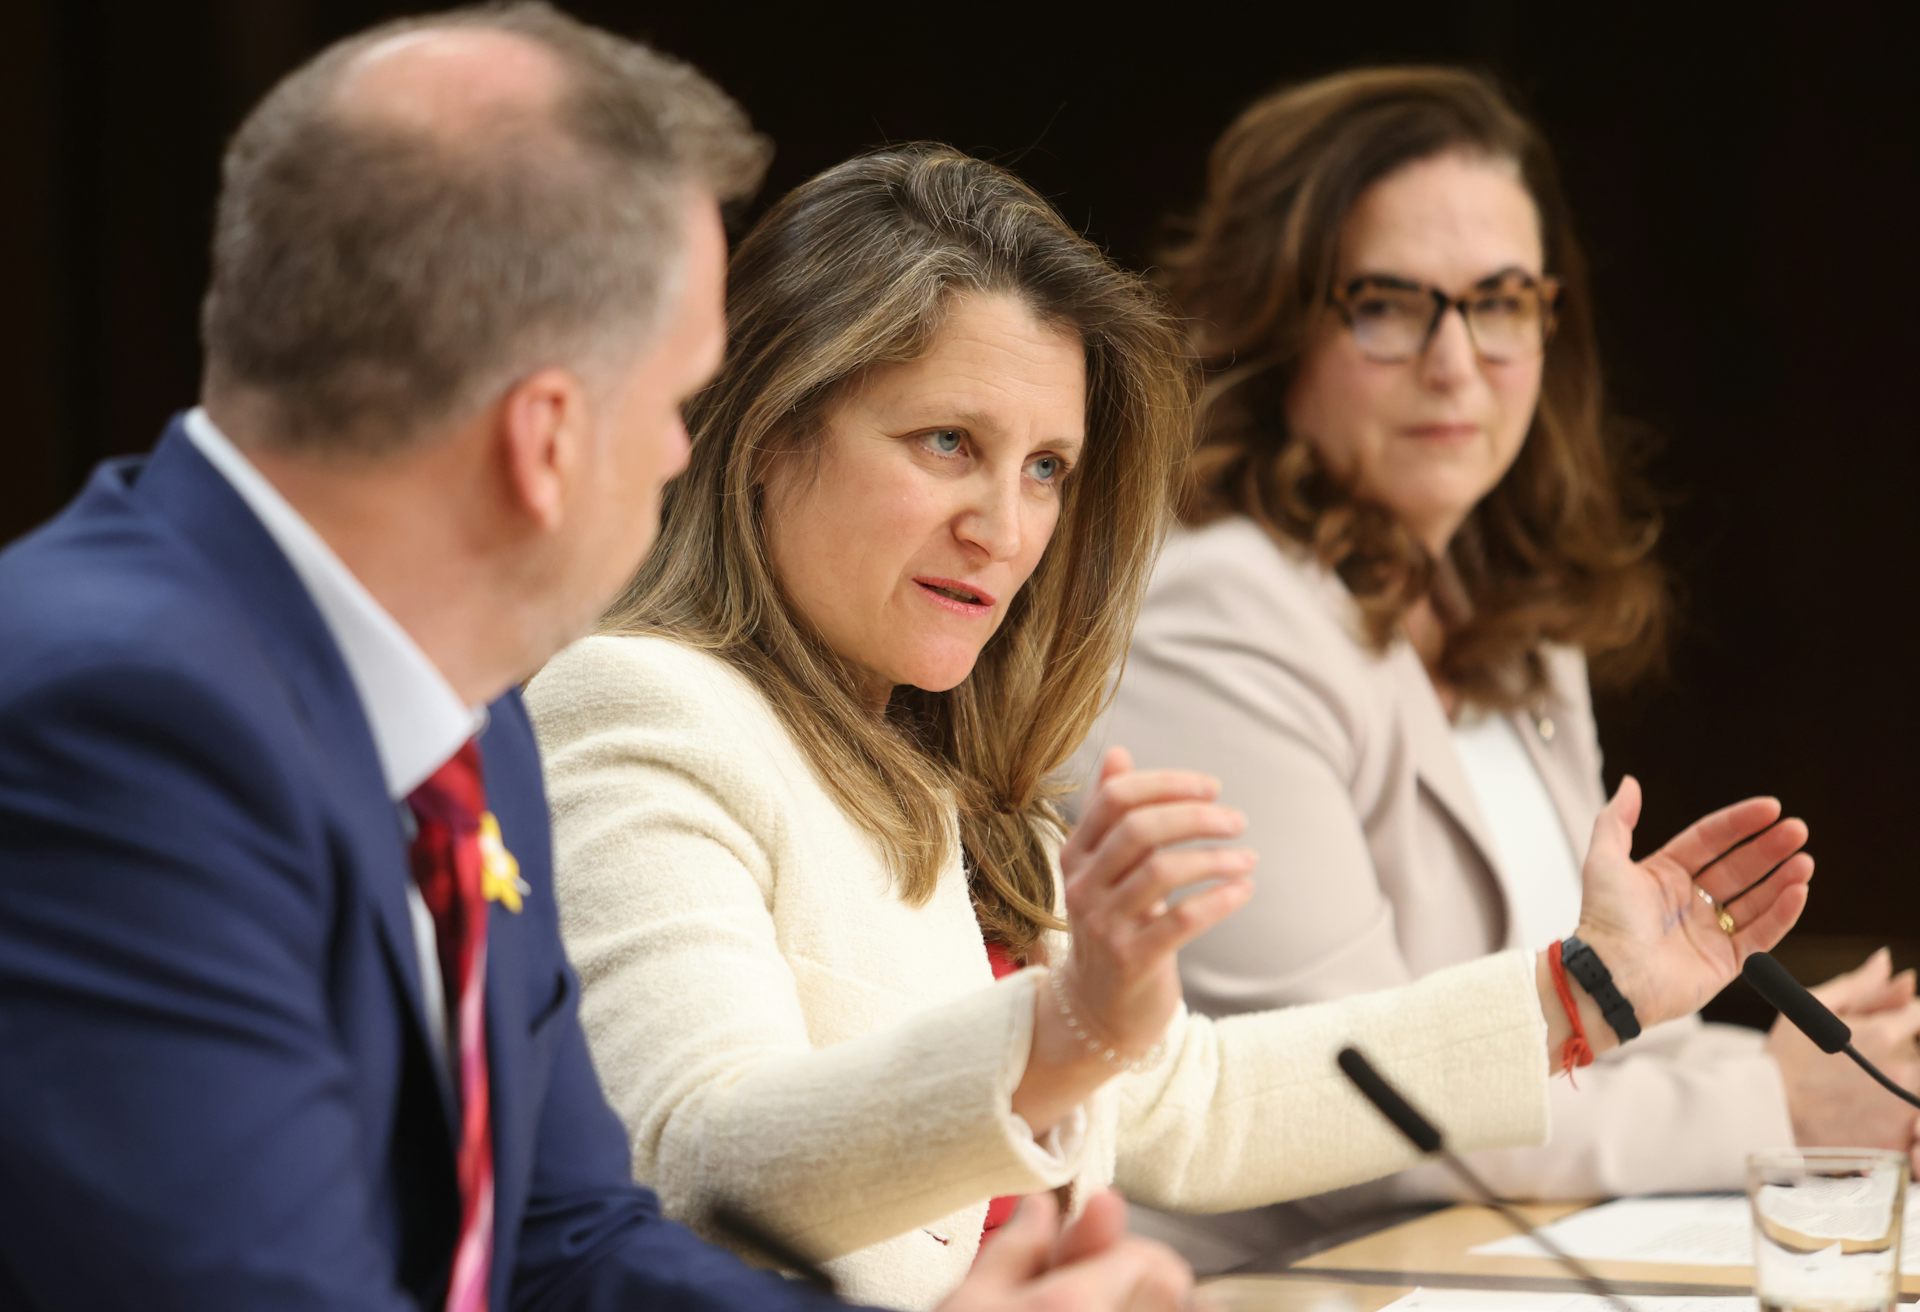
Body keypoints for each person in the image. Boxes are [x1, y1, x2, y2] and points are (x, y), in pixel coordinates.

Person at [0, 7, 1193, 1310]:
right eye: (679, 403)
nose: (690, 455)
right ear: (548, 438)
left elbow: (567, 1240)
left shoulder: (474, 723)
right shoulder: (120, 722)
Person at [525, 141, 1813, 1311]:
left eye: (1046, 468)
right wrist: (1066, 1028)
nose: (1006, 528)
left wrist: (1585, 989)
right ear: (767, 431)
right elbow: (699, 1161)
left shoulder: (947, 765)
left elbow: (1202, 1102)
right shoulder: (642, 702)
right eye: (947, 442)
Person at [1077, 66, 1920, 1273]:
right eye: (1388, 303)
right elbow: (1359, 1103)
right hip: (1271, 1284)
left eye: (1502, 302)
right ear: (1278, 319)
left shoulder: (1503, 607)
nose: (1457, 361)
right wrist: (1777, 1104)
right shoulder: (1216, 612)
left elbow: (1584, 1025)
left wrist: (1846, 1066)